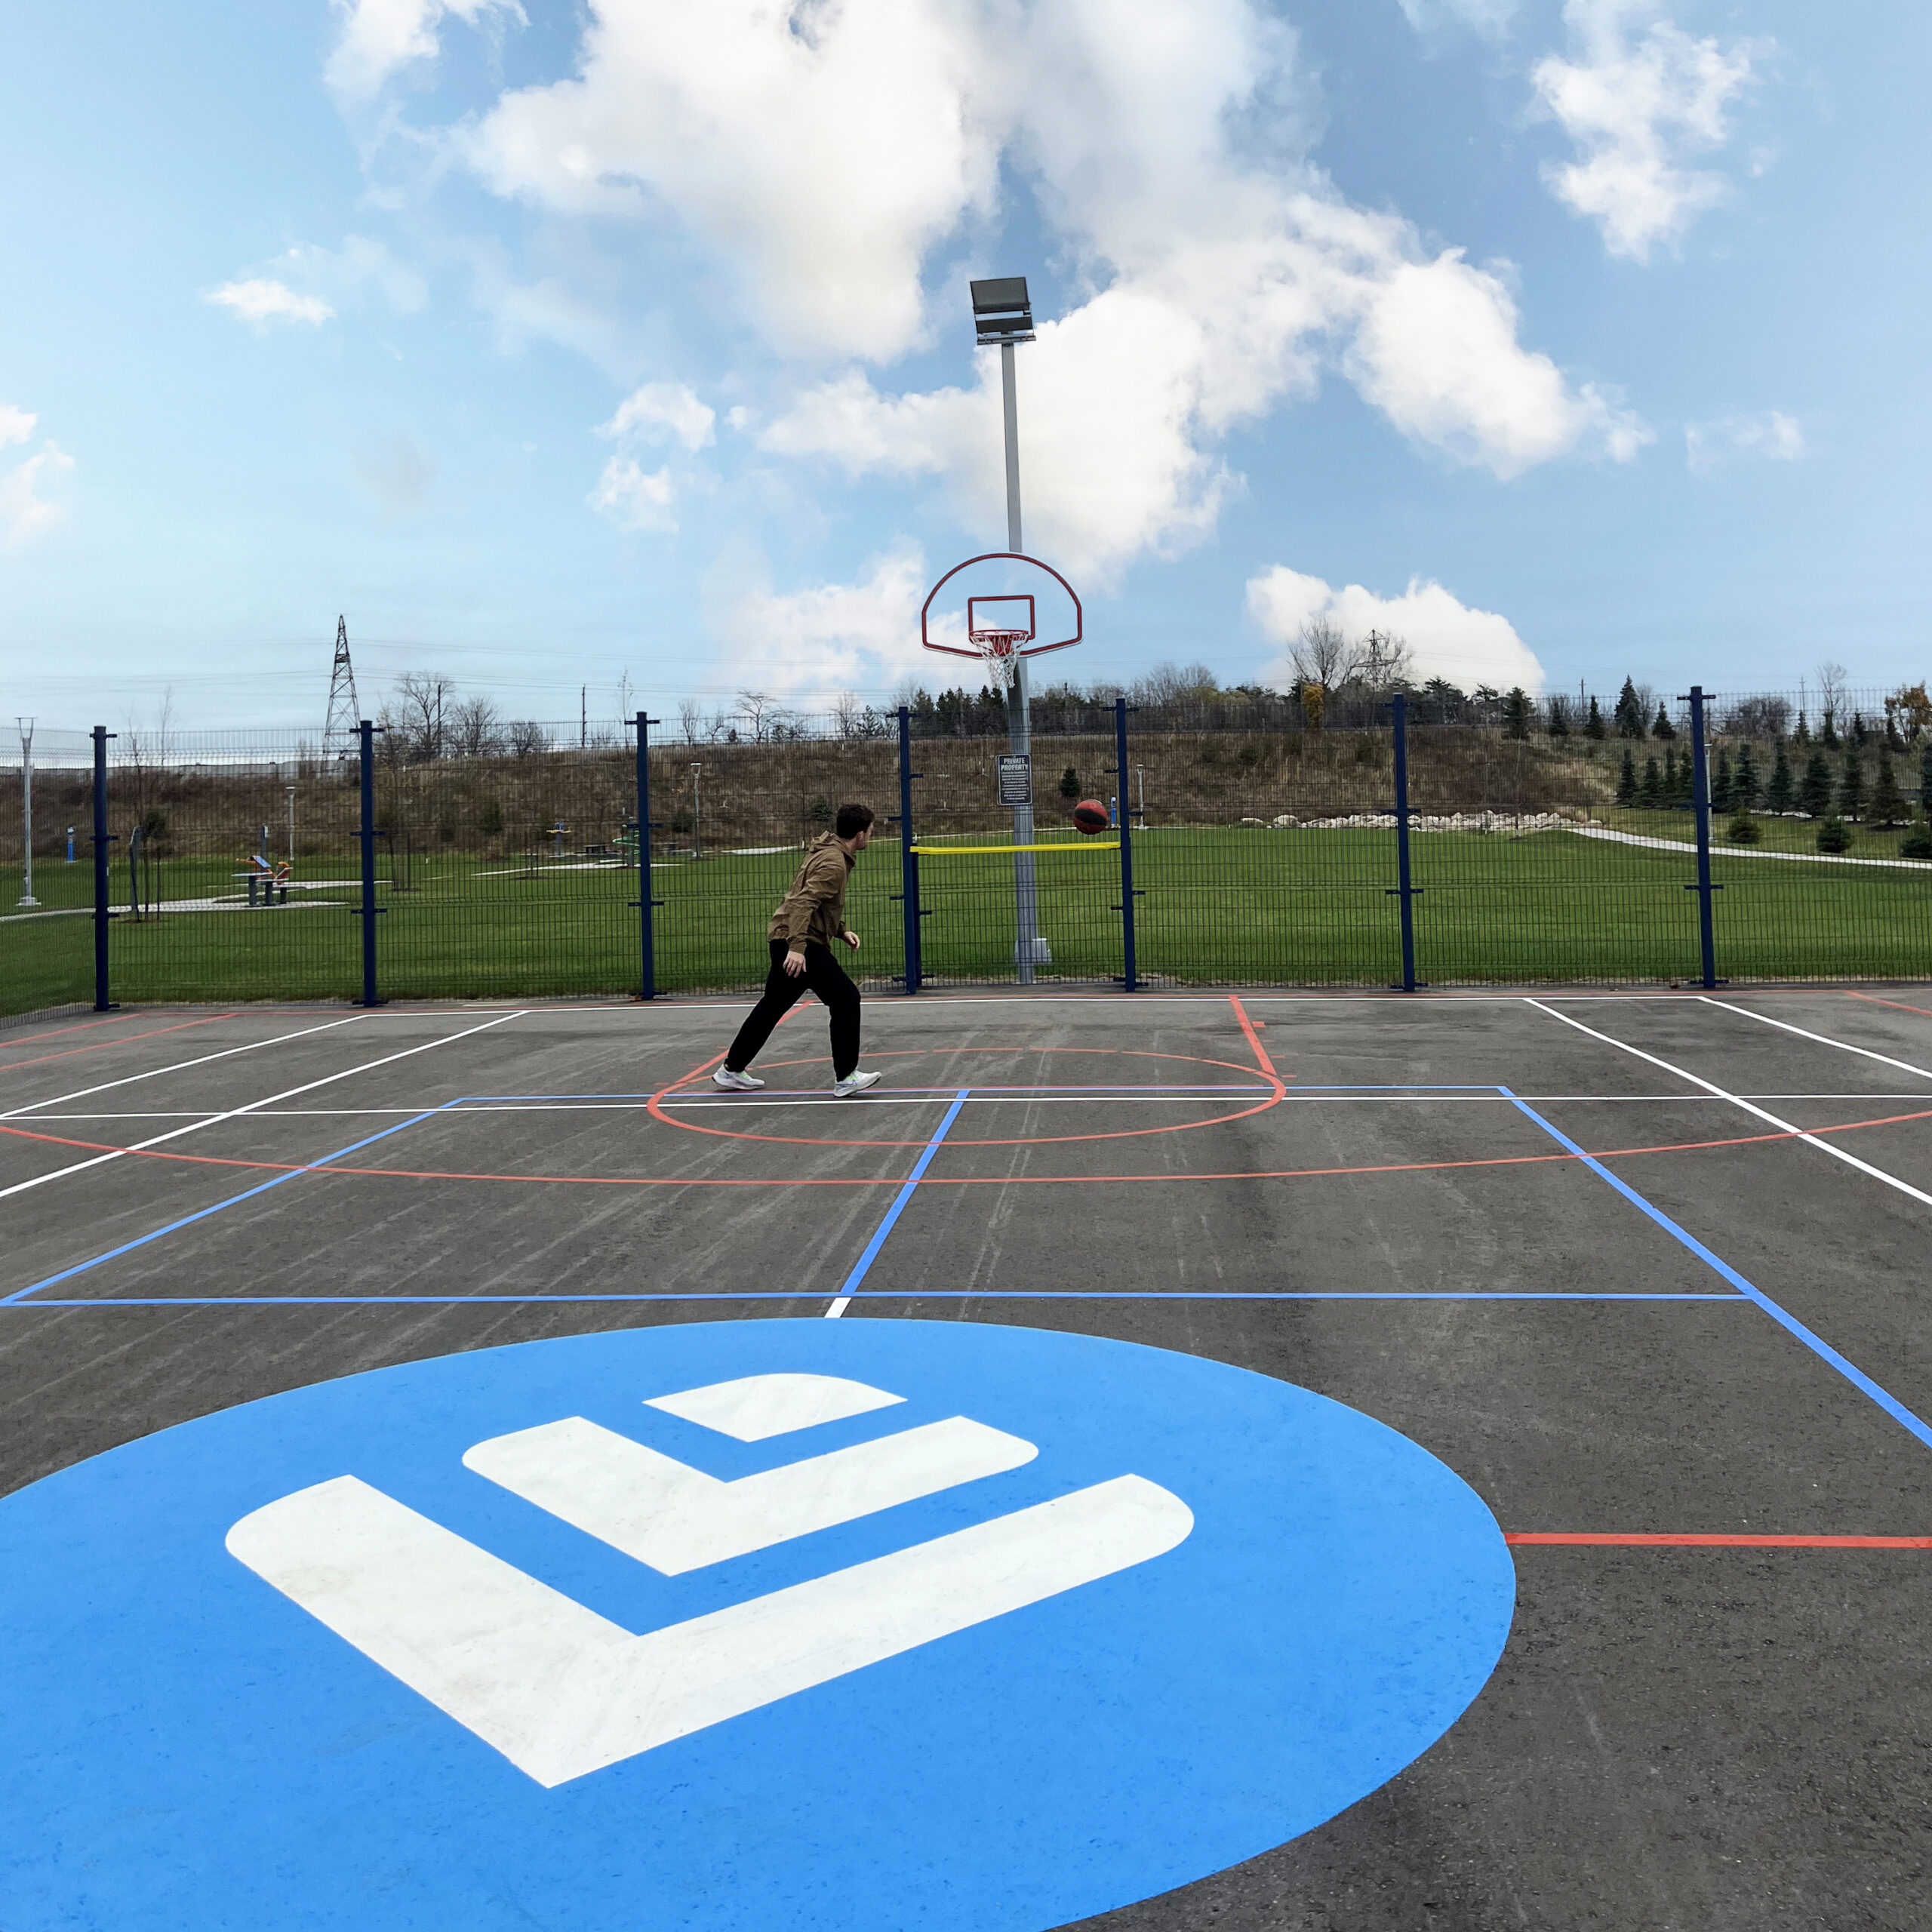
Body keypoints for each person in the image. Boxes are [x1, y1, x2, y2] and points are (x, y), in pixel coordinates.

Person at [713, 803, 882, 1097]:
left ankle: (730, 1070)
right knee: (845, 998)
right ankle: (846, 1077)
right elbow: (803, 903)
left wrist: (841, 931)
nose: (871, 836)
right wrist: (797, 948)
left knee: (772, 1006)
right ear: (860, 834)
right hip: (802, 943)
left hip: (789, 938)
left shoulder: (826, 852)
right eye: (870, 831)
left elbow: (818, 903)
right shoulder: (833, 864)